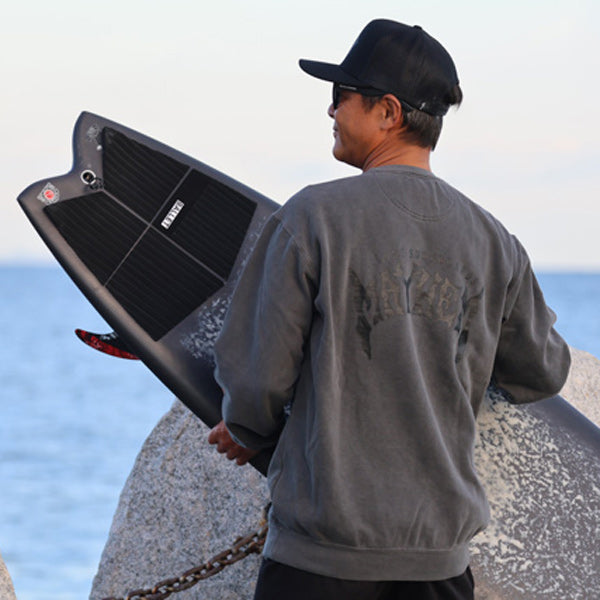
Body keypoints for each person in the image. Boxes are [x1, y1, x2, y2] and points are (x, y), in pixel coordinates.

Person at [207, 19, 571, 600]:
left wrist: (246, 427)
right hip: (437, 569)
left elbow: (257, 379)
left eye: (342, 95)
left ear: (388, 112)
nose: (331, 110)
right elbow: (543, 371)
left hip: (319, 564)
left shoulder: (312, 218)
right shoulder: (493, 241)